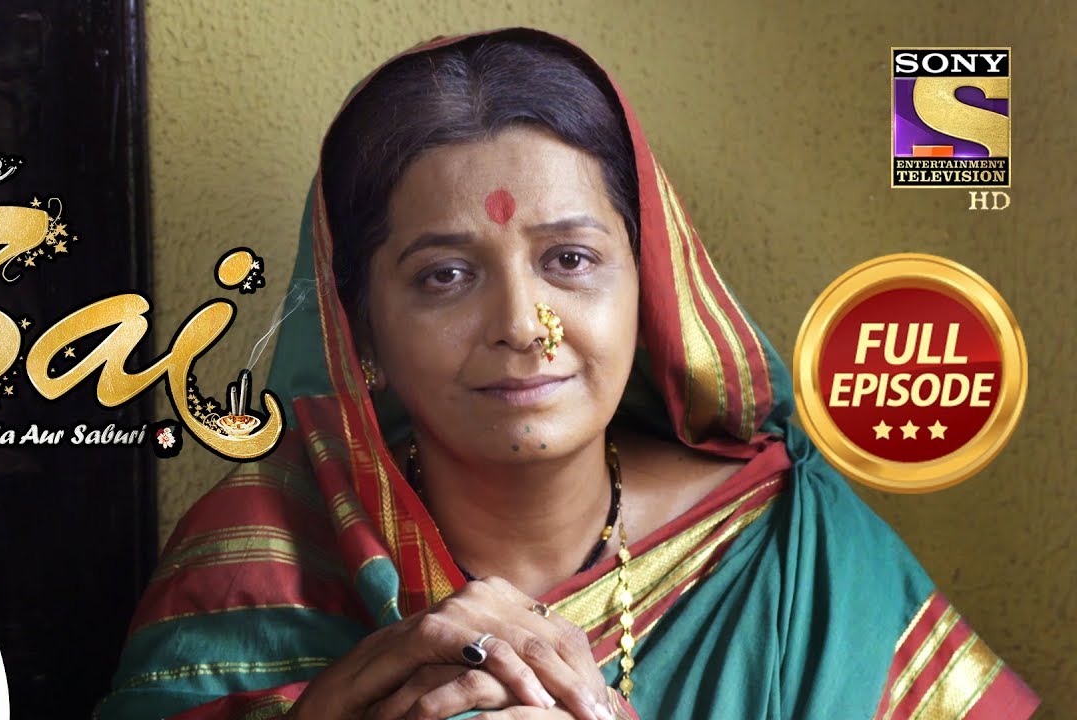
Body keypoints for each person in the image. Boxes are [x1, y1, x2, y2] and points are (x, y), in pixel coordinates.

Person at [95, 28, 1039, 720]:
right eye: (445, 275)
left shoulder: (794, 550)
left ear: (650, 287)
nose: (522, 326)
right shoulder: (257, 567)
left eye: (571, 260)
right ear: (359, 331)